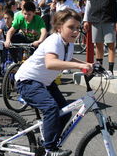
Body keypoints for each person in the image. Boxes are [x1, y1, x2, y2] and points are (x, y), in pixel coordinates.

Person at [15, 9, 92, 156]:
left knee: (65, 112)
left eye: (77, 28)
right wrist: (80, 66)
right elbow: (51, 63)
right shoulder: (54, 40)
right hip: (28, 81)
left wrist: (89, 64)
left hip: (45, 82)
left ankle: (50, 143)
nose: (75, 31)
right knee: (51, 109)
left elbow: (67, 59)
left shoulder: (67, 43)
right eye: (71, 27)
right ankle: (49, 149)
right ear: (59, 27)